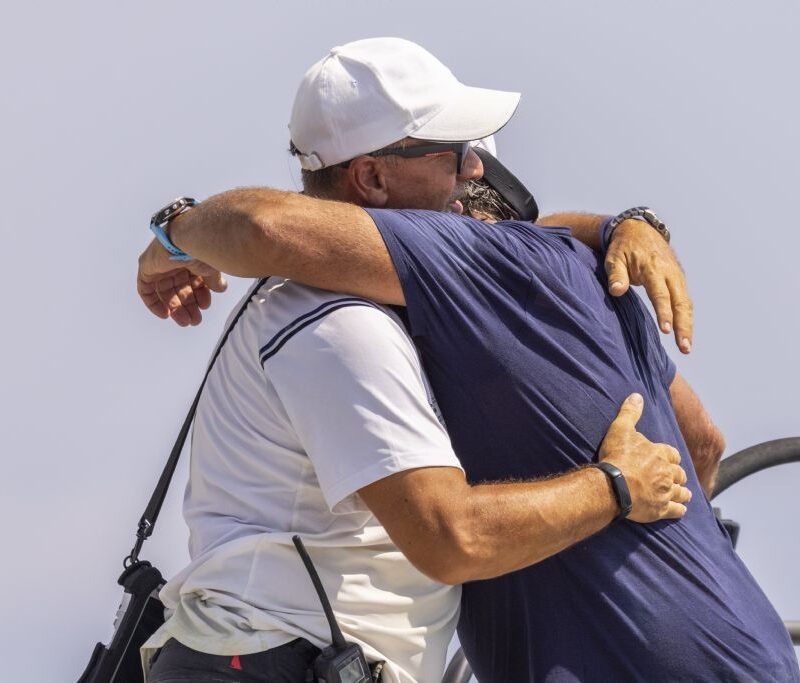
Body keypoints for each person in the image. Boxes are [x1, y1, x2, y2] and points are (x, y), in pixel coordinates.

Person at [135, 39, 798, 681]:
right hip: (276, 655)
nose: (473, 174)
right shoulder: (339, 322)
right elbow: (450, 536)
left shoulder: (381, 307)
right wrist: (617, 491)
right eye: (455, 158)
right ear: (372, 176)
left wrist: (177, 232)